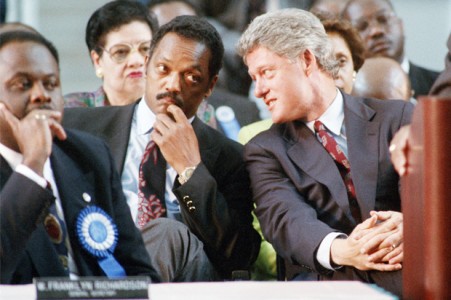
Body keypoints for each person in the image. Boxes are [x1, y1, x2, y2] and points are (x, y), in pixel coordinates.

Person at [63, 16, 261, 282]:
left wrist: (191, 171)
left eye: (191, 77)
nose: (172, 85)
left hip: (185, 278)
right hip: (92, 265)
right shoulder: (82, 127)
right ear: (146, 66)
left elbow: (240, 253)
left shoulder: (231, 157)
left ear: (210, 86)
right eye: (163, 69)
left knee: (168, 232)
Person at [237, 9, 414, 297]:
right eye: (254, 77)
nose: (258, 91)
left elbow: (428, 194)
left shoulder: (399, 117)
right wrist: (346, 249)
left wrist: (413, 226)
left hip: (406, 263)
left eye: (266, 73)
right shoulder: (264, 149)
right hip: (327, 279)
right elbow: (286, 221)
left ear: (307, 60)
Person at [0, 31, 158, 284]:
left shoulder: (89, 154)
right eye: (23, 84)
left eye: (51, 83)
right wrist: (32, 165)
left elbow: (139, 271)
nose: (42, 95)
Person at [64, 0, 158, 107]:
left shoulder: (172, 111)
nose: (136, 61)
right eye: (121, 52)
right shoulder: (72, 111)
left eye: (145, 49)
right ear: (97, 61)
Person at [342, 0, 439, 99]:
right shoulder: (344, 97)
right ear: (349, 42)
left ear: (401, 25)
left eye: (383, 19)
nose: (376, 31)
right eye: (362, 27)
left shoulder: (440, 86)